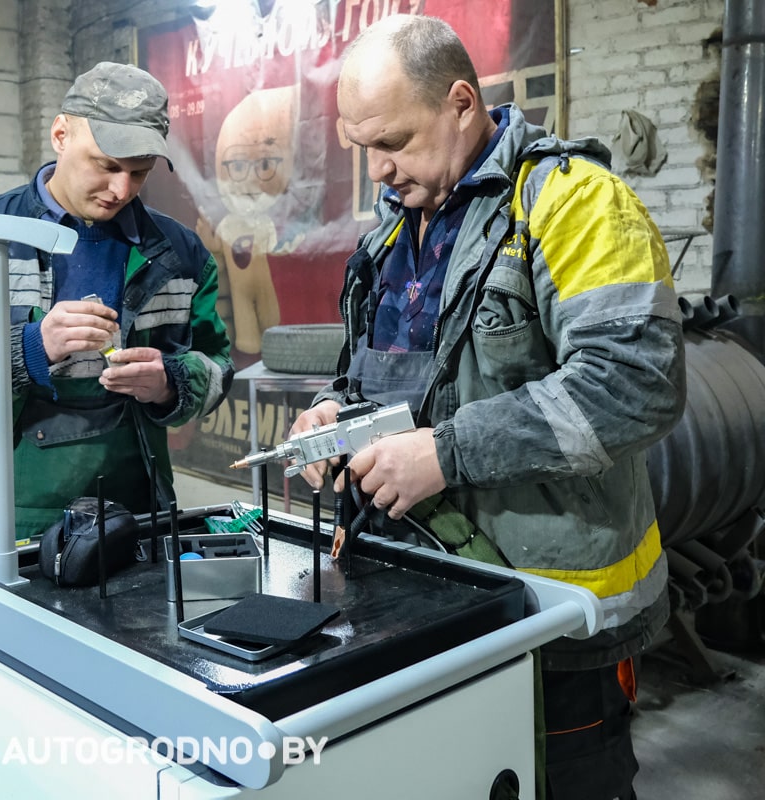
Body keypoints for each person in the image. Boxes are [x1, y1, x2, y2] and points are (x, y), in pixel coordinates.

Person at [291, 15, 685, 800]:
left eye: (394, 141)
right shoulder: (394, 228)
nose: (378, 169)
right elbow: (392, 381)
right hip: (421, 594)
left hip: (554, 610)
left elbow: (635, 382)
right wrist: (336, 414)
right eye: (362, 146)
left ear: (461, 103)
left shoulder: (573, 203)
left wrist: (445, 453)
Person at [0, 62, 233, 544]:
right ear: (61, 134)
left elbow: (215, 367)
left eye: (139, 173)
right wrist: (27, 350)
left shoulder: (178, 254)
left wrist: (170, 382)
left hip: (135, 513)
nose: (121, 190)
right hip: (4, 516)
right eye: (106, 165)